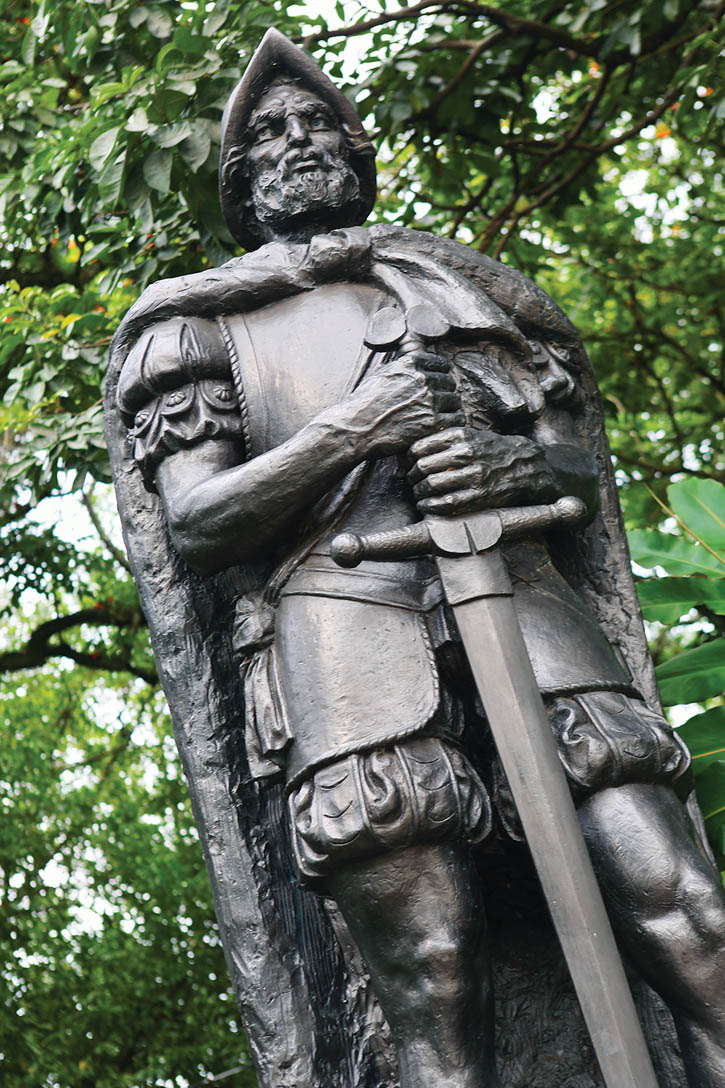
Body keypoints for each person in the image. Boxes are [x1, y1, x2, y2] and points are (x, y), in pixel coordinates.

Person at [110, 29, 725, 1088]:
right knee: (434, 984)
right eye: (269, 134)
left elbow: (572, 472)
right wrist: (360, 427)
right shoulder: (195, 332)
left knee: (690, 916)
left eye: (318, 125)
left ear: (356, 153)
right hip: (340, 639)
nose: (299, 141)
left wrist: (508, 466)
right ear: (242, 181)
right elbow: (201, 524)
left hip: (525, 604)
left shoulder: (459, 295)